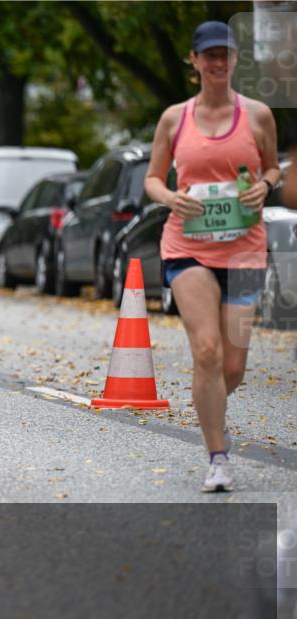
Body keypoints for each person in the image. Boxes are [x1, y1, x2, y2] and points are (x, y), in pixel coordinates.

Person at [144, 21, 281, 493]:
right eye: (209, 55)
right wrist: (170, 198)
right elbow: (153, 178)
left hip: (244, 251)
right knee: (207, 351)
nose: (217, 62)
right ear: (194, 61)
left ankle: (208, 397)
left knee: (232, 367)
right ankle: (217, 458)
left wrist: (265, 186)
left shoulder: (258, 115)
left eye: (225, 54)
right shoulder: (174, 119)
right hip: (188, 248)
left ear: (235, 59)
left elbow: (272, 167)